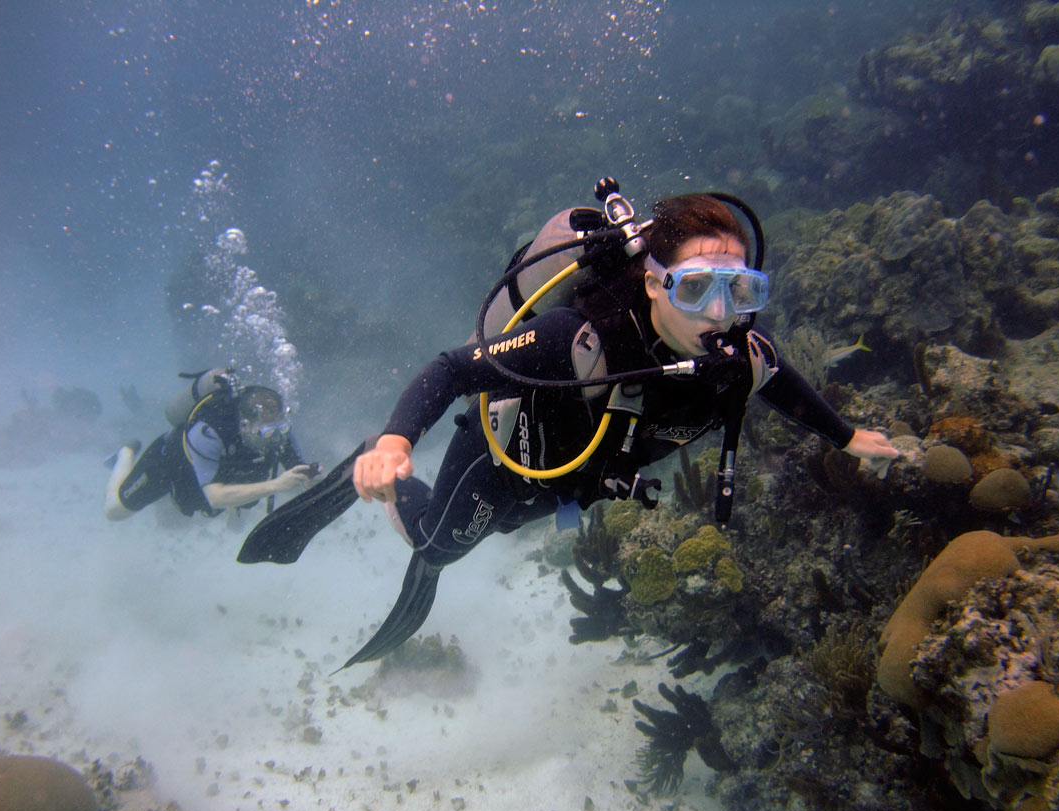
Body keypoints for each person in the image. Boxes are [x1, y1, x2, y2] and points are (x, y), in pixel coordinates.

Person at [242, 191, 898, 669]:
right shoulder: (576, 339)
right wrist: (395, 441)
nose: (722, 314)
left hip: (572, 483)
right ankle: (372, 476)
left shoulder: (740, 357)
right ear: (652, 282)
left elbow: (782, 383)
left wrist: (846, 438)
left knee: (496, 531)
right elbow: (451, 369)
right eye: (698, 290)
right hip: (503, 459)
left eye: (741, 290)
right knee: (435, 544)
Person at [104, 369, 316, 521]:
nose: (276, 437)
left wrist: (312, 478)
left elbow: (301, 472)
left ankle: (233, 510)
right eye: (268, 432)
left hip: (221, 473)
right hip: (168, 466)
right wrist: (277, 485)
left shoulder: (278, 429)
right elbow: (215, 497)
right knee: (115, 512)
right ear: (245, 424)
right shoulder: (209, 432)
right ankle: (125, 453)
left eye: (282, 429)